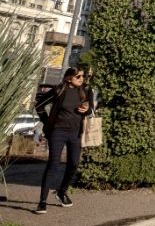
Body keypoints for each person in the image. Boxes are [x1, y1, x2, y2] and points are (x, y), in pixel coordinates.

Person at [33, 67, 94, 214]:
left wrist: (86, 109)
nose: (82, 79)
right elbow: (39, 106)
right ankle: (42, 202)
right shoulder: (59, 90)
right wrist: (47, 123)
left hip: (76, 134)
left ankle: (62, 192)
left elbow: (91, 110)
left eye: (83, 76)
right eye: (78, 76)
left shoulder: (86, 90)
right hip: (58, 132)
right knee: (53, 164)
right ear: (69, 78)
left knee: (73, 164)